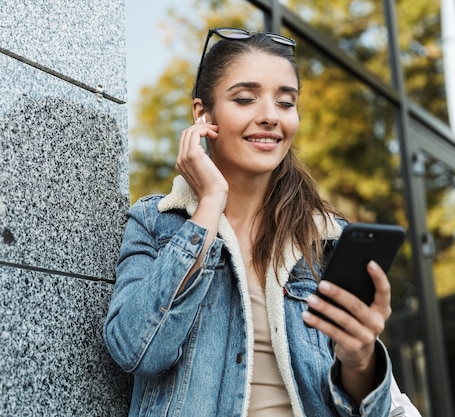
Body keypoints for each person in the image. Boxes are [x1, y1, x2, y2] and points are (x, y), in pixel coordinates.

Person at [104, 27, 418, 417]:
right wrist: (210, 205)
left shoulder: (325, 241)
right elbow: (136, 350)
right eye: (245, 98)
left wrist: (360, 358)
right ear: (202, 115)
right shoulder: (155, 223)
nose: (270, 116)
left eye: (286, 103)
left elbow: (365, 406)